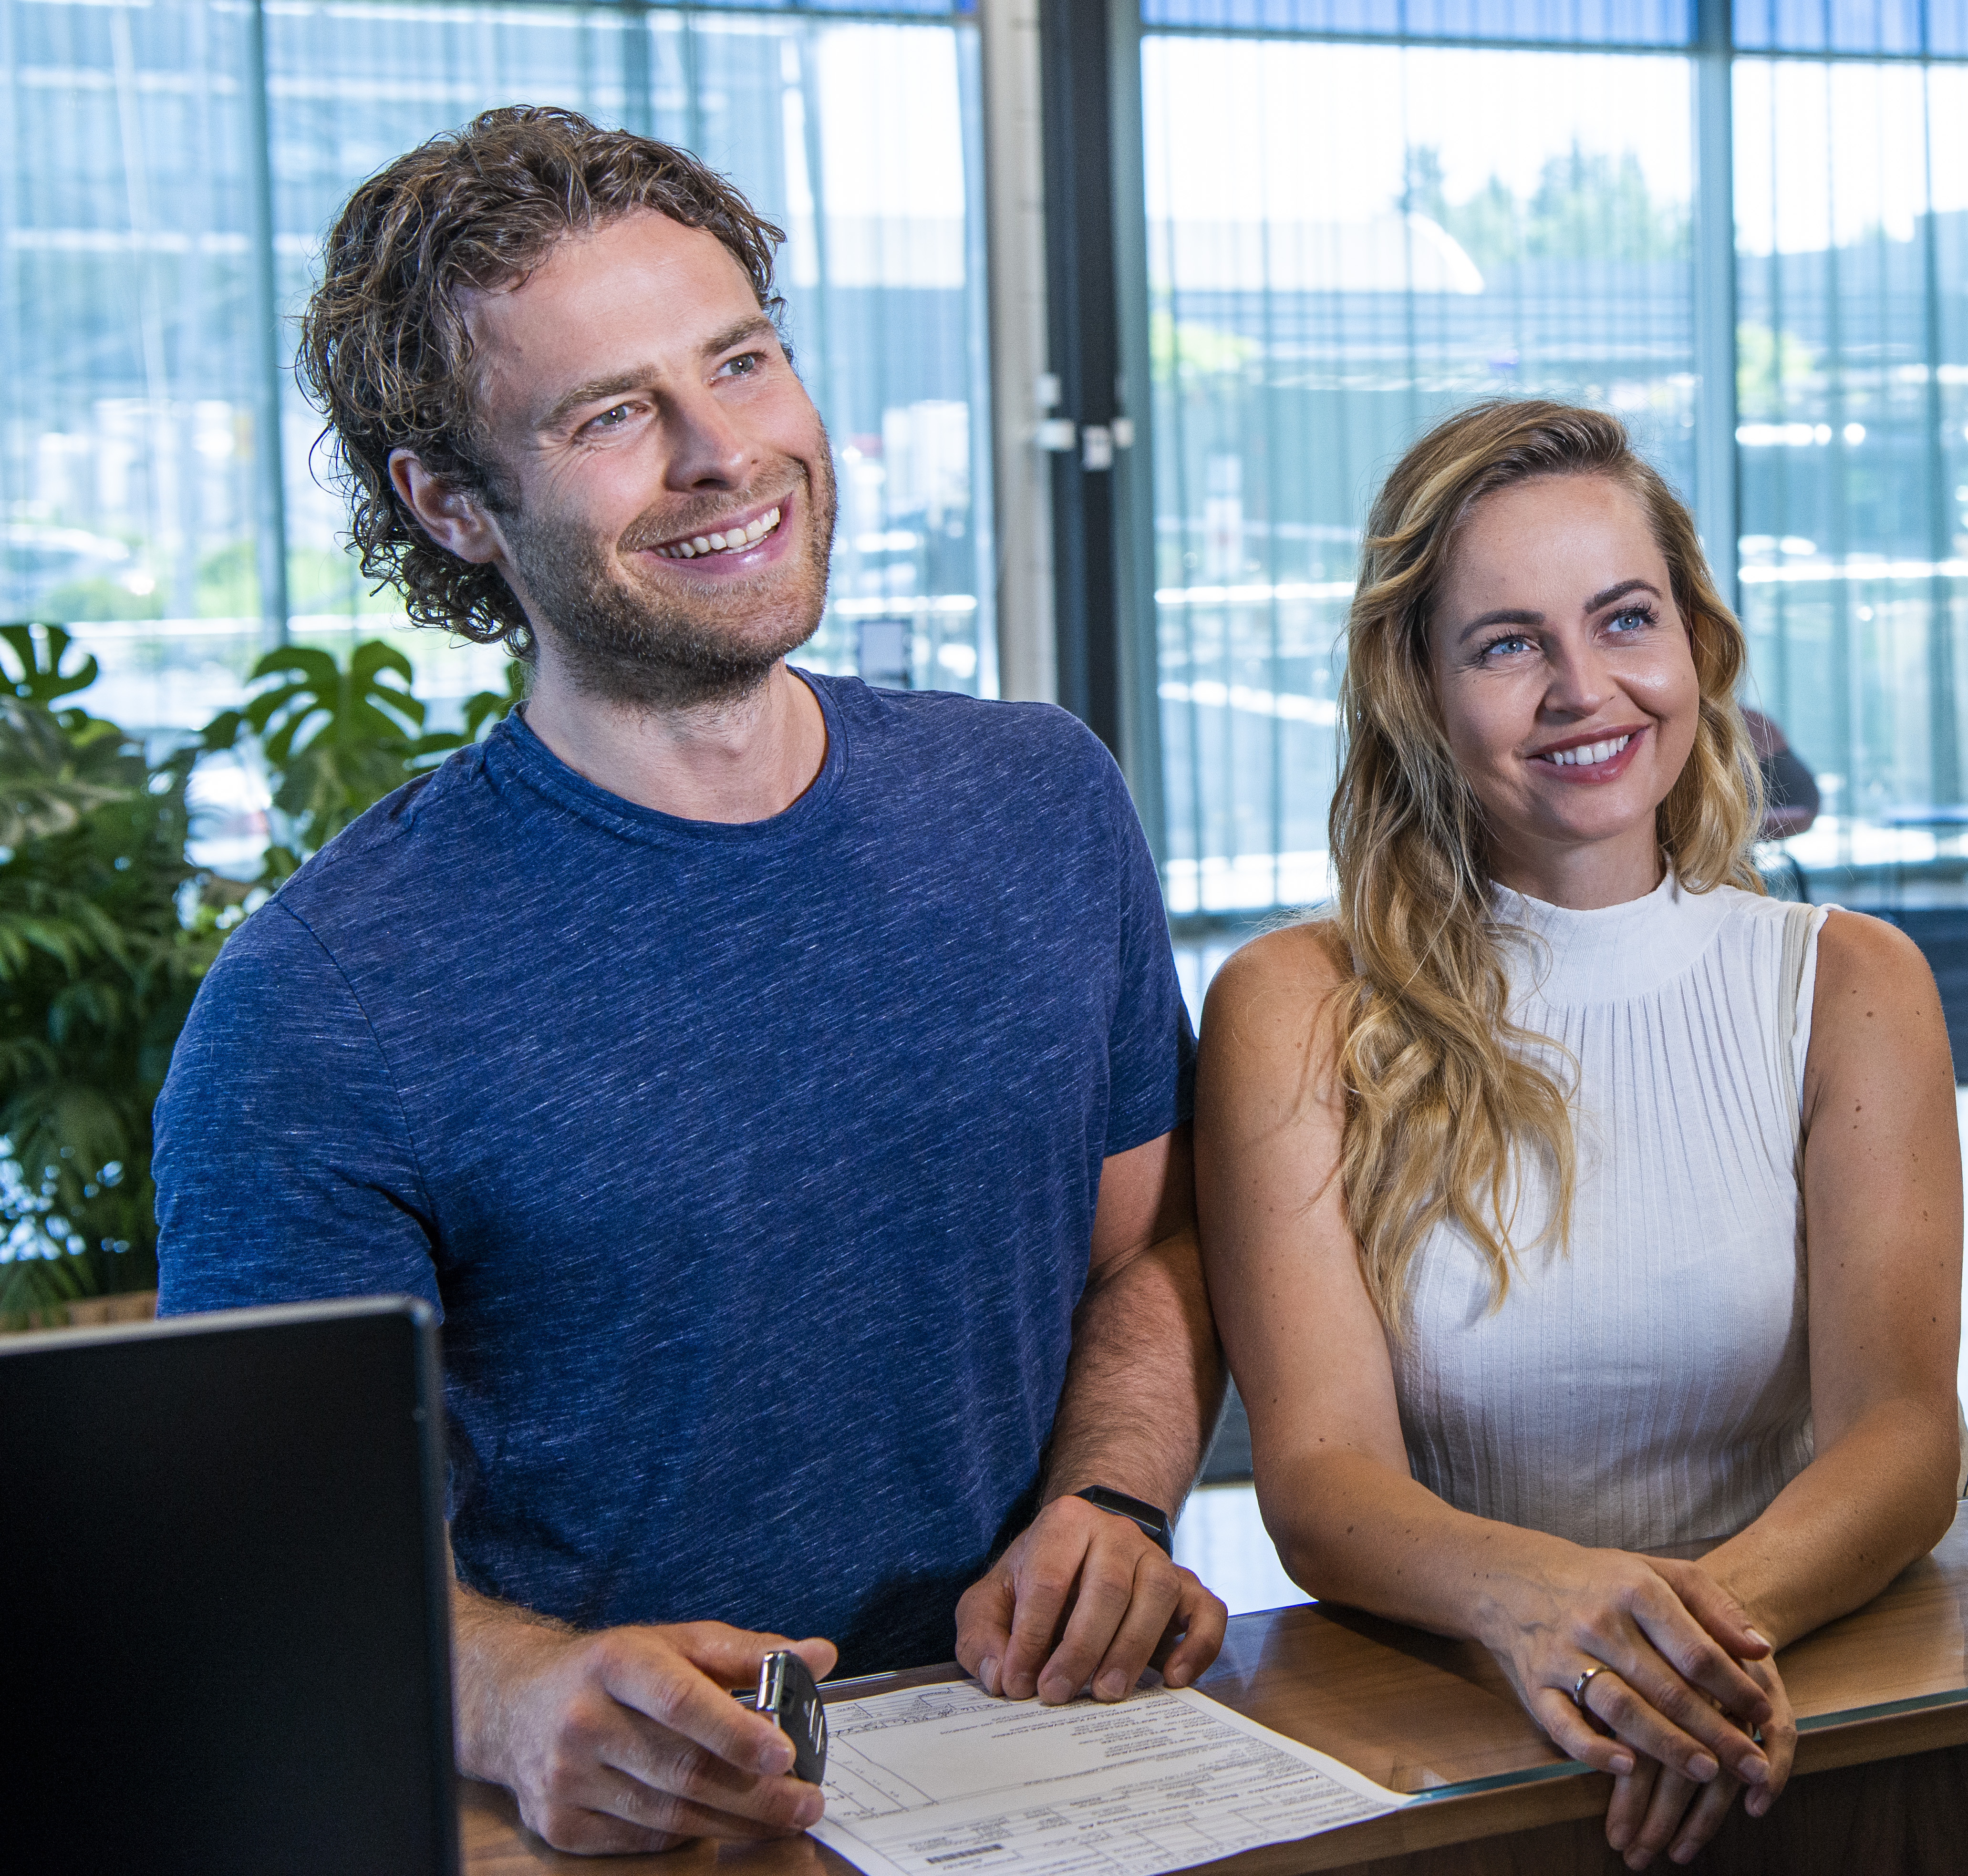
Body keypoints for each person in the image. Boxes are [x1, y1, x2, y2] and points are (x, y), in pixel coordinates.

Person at [152, 108, 1229, 1857]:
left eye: (742, 362)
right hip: (634, 1836)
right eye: (613, 413)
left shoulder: (1043, 803)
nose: (725, 453)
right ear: (454, 506)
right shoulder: (327, 1000)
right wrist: (515, 1696)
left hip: (1041, 1764)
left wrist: (1114, 1497)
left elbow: (1152, 1248)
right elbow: (266, 1574)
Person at [1195, 399, 1968, 1875]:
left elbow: (1903, 1436)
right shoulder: (1295, 1006)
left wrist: (1674, 1657)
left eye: (1626, 620)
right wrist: (1540, 1607)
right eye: (1506, 644)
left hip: (1785, 1716)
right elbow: (1322, 1479)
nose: (1583, 688)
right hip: (1469, 1735)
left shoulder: (1853, 982)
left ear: (1695, 648)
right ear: (1416, 689)